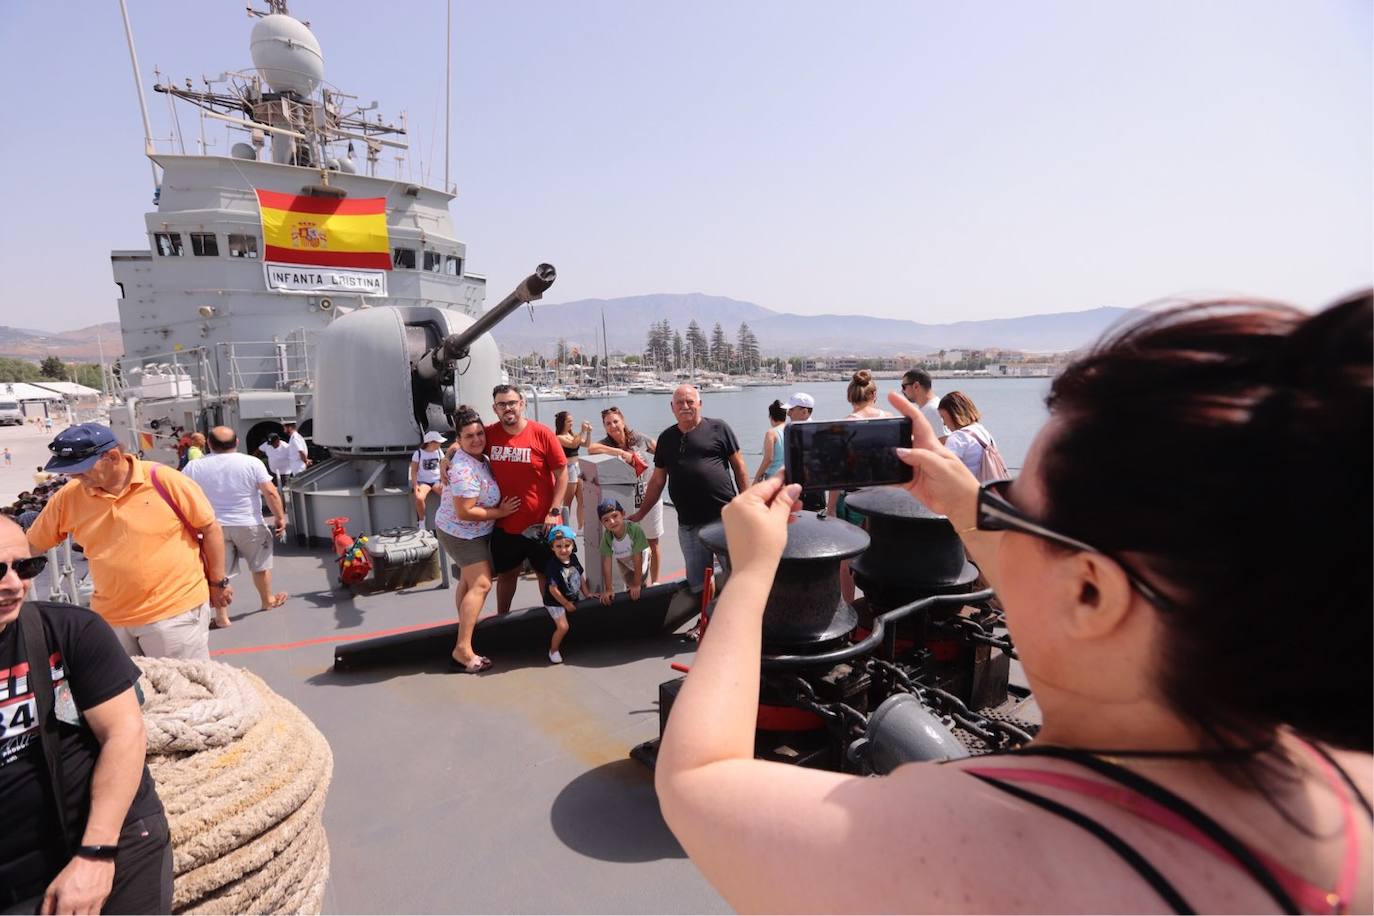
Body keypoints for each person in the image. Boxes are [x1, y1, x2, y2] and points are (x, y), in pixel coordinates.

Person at [654, 293, 1372, 913]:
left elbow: (697, 783)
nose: (993, 513)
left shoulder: (956, 847)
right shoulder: (1349, 786)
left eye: (1015, 505)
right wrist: (969, 507)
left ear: (1091, 591)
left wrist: (751, 575)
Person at [0, 517, 174, 913]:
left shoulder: (70, 631)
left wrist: (95, 855)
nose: (13, 584)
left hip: (103, 844)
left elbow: (123, 732)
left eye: (26, 567)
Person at [26, 423, 232, 660]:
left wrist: (218, 583)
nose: (73, 476)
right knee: (126, 686)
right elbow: (31, 545)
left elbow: (210, 528)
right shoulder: (69, 497)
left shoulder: (164, 480)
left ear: (112, 457)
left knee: (187, 684)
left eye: (80, 470)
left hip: (174, 614)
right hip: (110, 620)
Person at [629, 385, 747, 595]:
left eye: (690, 401)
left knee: (737, 575)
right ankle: (706, 615)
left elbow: (739, 468)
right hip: (689, 525)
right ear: (672, 407)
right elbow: (657, 481)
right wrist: (641, 513)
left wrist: (748, 503)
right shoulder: (666, 438)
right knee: (698, 584)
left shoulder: (719, 428)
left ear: (700, 404)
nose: (685, 406)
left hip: (724, 519)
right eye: (680, 403)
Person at [433, 407, 519, 673]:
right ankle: (462, 650)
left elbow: (453, 449)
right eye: (469, 436)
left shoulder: (474, 455)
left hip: (476, 531)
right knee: (481, 583)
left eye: (480, 433)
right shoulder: (463, 469)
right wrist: (500, 512)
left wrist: (446, 456)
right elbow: (465, 512)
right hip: (461, 532)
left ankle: (465, 631)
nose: (477, 439)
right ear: (459, 439)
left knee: (469, 581)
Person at [182, 426, 288, 627]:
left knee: (218, 572)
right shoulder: (252, 462)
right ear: (237, 442)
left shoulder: (193, 467)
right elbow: (270, 492)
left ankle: (222, 617)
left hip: (213, 528)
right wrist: (280, 518)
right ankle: (267, 600)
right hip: (249, 524)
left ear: (209, 444)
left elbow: (183, 495)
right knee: (260, 566)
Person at [484, 385, 568, 615]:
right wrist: (447, 457)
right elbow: (463, 442)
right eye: (502, 404)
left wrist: (554, 511)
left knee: (546, 574)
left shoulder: (542, 433)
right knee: (506, 575)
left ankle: (554, 619)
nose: (508, 408)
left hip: (542, 524)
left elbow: (562, 474)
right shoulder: (489, 434)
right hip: (506, 525)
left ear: (521, 404)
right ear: (495, 408)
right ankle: (502, 619)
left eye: (512, 402)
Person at [587, 406, 662, 584]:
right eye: (608, 424)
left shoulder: (638, 438)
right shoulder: (607, 443)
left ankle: (655, 582)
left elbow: (661, 450)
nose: (613, 426)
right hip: (628, 502)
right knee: (632, 545)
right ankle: (638, 583)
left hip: (649, 498)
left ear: (623, 421)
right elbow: (591, 448)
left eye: (615, 421)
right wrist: (620, 453)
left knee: (652, 542)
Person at [542, 525, 591, 664]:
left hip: (571, 597)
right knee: (563, 626)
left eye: (567, 545)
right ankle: (553, 650)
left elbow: (580, 576)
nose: (563, 550)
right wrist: (566, 603)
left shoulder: (573, 558)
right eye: (558, 546)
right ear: (552, 547)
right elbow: (553, 589)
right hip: (555, 602)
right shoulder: (553, 565)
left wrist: (587, 593)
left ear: (573, 545)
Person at [596, 499, 648, 604]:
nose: (612, 522)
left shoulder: (634, 530)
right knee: (629, 584)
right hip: (623, 559)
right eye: (606, 520)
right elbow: (606, 562)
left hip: (640, 555)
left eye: (615, 516)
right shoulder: (607, 537)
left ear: (623, 514)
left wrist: (637, 584)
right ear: (602, 523)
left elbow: (637, 558)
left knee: (640, 582)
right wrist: (609, 589)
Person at [938, 390, 999, 477]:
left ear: (954, 414)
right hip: (990, 483)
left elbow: (944, 471)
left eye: (943, 417)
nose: (944, 423)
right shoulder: (983, 432)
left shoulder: (958, 437)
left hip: (969, 485)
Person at [553, 411, 594, 529]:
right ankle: (565, 528)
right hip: (568, 469)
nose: (571, 423)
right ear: (562, 423)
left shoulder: (572, 435)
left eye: (572, 421)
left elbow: (586, 444)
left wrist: (588, 433)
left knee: (582, 499)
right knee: (568, 502)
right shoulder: (559, 437)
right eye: (569, 421)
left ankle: (581, 527)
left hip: (577, 467)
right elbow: (572, 445)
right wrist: (582, 431)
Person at [901, 367, 949, 443]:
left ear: (916, 386)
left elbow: (944, 441)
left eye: (904, 387)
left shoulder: (932, 410)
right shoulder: (928, 408)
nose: (902, 391)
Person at [410, 431, 446, 530]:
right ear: (430, 442)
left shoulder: (439, 452)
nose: (440, 444)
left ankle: (447, 517)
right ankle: (422, 521)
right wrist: (415, 485)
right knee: (419, 498)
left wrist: (443, 480)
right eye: (438, 442)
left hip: (437, 481)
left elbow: (443, 467)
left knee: (448, 495)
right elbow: (414, 471)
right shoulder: (418, 454)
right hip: (424, 482)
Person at [751, 400, 787, 484]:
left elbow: (768, 459)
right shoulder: (791, 430)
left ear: (770, 416)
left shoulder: (771, 433)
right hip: (789, 475)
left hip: (774, 479)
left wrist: (757, 478)